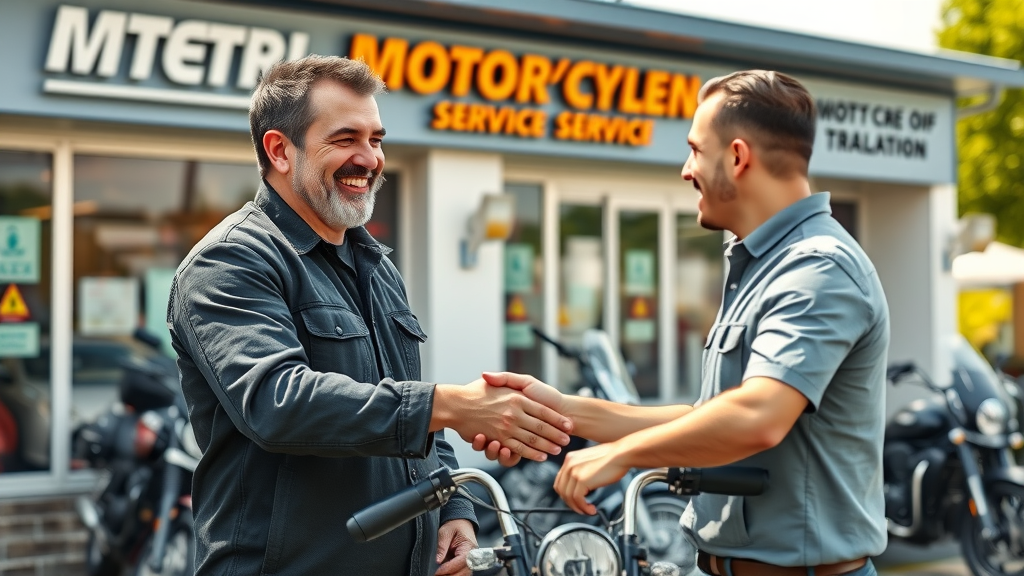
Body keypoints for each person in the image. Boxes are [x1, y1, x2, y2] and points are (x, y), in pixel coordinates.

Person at [167, 55, 573, 576]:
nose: (369, 158)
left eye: (376, 139)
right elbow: (277, 402)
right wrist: (449, 405)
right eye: (345, 139)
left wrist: (454, 507)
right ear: (279, 150)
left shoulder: (377, 267)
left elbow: (412, 410)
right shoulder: (230, 261)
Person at [477, 70, 889, 576]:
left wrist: (625, 455)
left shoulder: (818, 266)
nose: (686, 170)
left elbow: (757, 416)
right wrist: (563, 412)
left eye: (696, 149)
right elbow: (709, 416)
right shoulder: (763, 265)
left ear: (737, 158)